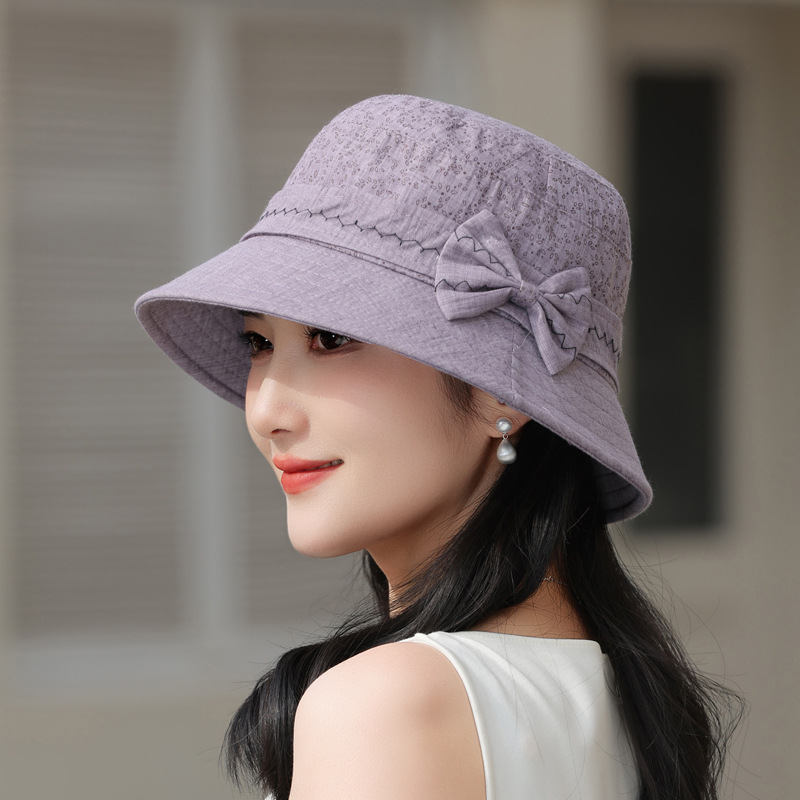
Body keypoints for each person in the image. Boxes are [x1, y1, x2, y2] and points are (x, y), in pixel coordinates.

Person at [135, 95, 738, 800]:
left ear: (501, 393)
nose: (266, 410)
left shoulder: (387, 706)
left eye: (330, 338)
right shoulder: (628, 704)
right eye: (258, 343)